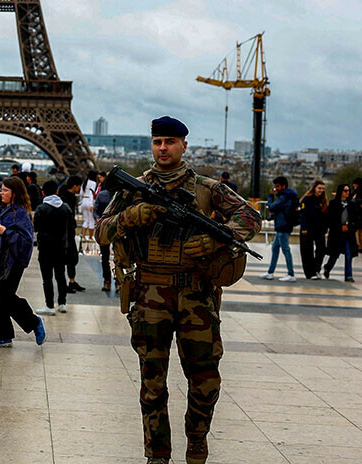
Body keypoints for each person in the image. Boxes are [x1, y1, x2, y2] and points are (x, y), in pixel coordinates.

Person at [96, 116, 262, 464]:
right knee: (152, 383)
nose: (163, 148)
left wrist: (216, 237)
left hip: (197, 296)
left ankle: (197, 437)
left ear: (184, 145)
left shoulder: (207, 188)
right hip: (150, 294)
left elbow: (249, 217)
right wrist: (133, 216)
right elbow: (102, 231)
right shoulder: (133, 189)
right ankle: (157, 453)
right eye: (158, 142)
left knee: (205, 381)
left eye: (170, 141)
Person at [0, 176, 45, 347]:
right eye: (1, 189)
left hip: (12, 264)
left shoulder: (20, 214)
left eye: (5, 190)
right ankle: (3, 335)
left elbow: (26, 242)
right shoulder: (2, 211)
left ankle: (34, 323)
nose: (1, 193)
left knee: (3, 297)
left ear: (15, 193)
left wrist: (6, 232)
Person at [34, 180, 72, 315]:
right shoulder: (66, 208)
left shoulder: (41, 209)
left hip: (45, 247)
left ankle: (49, 305)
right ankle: (62, 303)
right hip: (61, 247)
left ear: (43, 192)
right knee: (61, 276)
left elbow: (36, 227)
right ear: (57, 191)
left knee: (47, 278)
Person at [323, 184, 362, 282]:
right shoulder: (333, 204)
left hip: (348, 233)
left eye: (348, 191)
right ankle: (327, 268)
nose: (347, 193)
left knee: (348, 253)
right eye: (345, 190)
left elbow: (356, 218)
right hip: (336, 233)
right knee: (334, 255)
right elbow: (330, 219)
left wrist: (349, 226)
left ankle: (348, 275)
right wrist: (340, 226)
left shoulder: (352, 205)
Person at [260, 176, 297, 282]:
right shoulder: (287, 196)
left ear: (283, 186)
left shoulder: (284, 197)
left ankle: (291, 274)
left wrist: (270, 196)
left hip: (283, 226)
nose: (275, 189)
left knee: (285, 250)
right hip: (282, 225)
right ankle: (270, 272)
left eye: (277, 186)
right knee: (275, 248)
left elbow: (272, 207)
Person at [59, 175, 85, 293]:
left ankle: (72, 281)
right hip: (64, 232)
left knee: (72, 257)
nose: (80, 189)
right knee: (66, 257)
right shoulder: (64, 198)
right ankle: (65, 283)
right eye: (79, 186)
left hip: (69, 230)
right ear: (75, 186)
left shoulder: (69, 197)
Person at [298, 180, 328, 279]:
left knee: (321, 250)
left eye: (323, 189)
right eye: (319, 188)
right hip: (308, 228)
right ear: (314, 188)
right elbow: (303, 215)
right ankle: (310, 273)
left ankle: (316, 269)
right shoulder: (307, 199)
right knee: (307, 252)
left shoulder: (323, 201)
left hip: (319, 229)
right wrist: (304, 228)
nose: (321, 190)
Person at [94, 183, 114, 291]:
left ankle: (107, 281)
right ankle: (119, 282)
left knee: (105, 258)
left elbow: (96, 211)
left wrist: (97, 218)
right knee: (118, 258)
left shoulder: (101, 195)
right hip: (115, 229)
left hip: (105, 229)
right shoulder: (121, 196)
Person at [79, 170, 98, 242]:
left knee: (86, 220)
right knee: (91, 220)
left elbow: (81, 193)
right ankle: (90, 237)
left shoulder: (84, 182)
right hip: (89, 201)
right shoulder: (93, 183)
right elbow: (91, 193)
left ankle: (83, 236)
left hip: (84, 201)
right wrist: (91, 204)